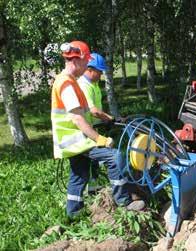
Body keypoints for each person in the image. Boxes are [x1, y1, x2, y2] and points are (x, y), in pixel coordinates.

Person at [51, 41, 145, 216]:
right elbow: (78, 118)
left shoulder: (69, 81)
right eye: (86, 61)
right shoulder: (67, 84)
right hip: (77, 140)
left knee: (79, 175)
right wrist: (99, 139)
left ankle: (74, 214)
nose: (87, 65)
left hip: (72, 140)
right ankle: (124, 202)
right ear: (77, 60)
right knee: (115, 156)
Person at [77, 52, 112, 193]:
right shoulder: (84, 85)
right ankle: (87, 188)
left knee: (94, 160)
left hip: (93, 127)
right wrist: (109, 118)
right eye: (99, 71)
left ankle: (93, 186)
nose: (101, 75)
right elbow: (94, 111)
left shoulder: (93, 84)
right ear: (90, 69)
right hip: (85, 129)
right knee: (90, 159)